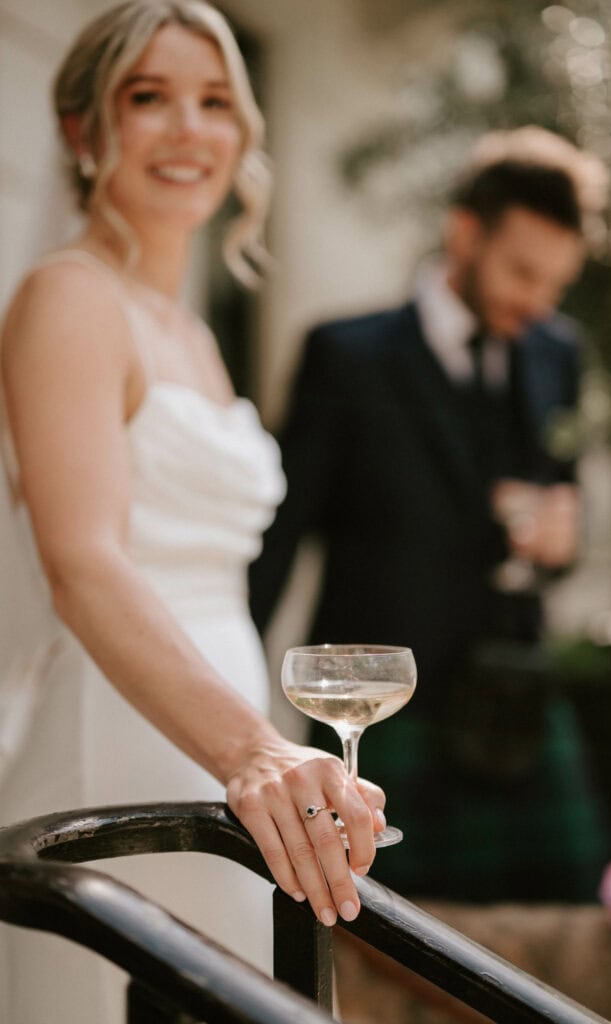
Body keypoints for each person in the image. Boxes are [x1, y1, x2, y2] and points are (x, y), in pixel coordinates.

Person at [0, 3, 386, 1020]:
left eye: (214, 102)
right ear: (83, 131)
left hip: (220, 735)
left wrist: (256, 749)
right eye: (147, 98)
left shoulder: (189, 330)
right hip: (117, 734)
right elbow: (81, 561)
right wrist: (253, 749)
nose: (187, 130)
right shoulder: (67, 297)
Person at [250, 126, 611, 903]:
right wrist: (243, 708)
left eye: (556, 283)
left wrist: (559, 543)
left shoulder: (558, 353)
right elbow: (276, 542)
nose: (538, 301)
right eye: (522, 272)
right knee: (367, 944)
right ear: (464, 232)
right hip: (379, 715)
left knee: (554, 936)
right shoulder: (345, 354)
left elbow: (552, 522)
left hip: (514, 697)